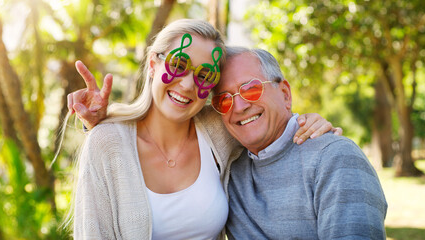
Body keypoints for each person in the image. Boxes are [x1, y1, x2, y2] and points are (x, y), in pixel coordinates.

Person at [66, 19, 340, 239]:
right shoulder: (106, 142)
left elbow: (268, 120)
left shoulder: (219, 130)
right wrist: (100, 122)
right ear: (152, 64)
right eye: (178, 65)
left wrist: (308, 122)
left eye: (205, 75)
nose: (187, 85)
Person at [213, 47, 387, 239]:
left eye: (250, 89)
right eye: (224, 100)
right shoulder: (228, 172)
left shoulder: (335, 158)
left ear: (285, 94)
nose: (239, 106)